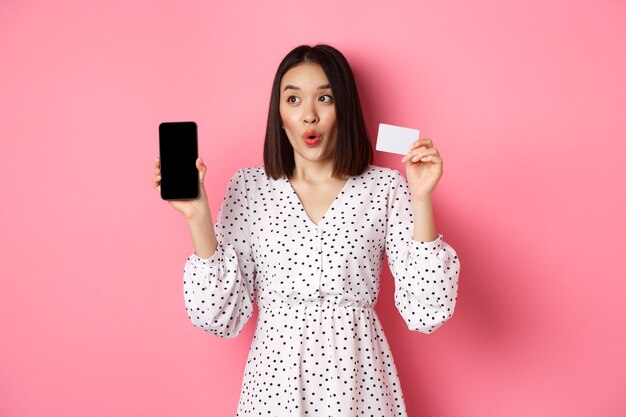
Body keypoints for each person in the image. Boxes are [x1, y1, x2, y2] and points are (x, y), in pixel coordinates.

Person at [153, 44, 460, 416]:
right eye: (294, 99)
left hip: (358, 384)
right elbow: (218, 315)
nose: (309, 116)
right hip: (274, 386)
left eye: (325, 98)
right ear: (279, 114)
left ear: (343, 109)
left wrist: (422, 196)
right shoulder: (250, 188)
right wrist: (196, 216)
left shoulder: (385, 187)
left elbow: (428, 310)